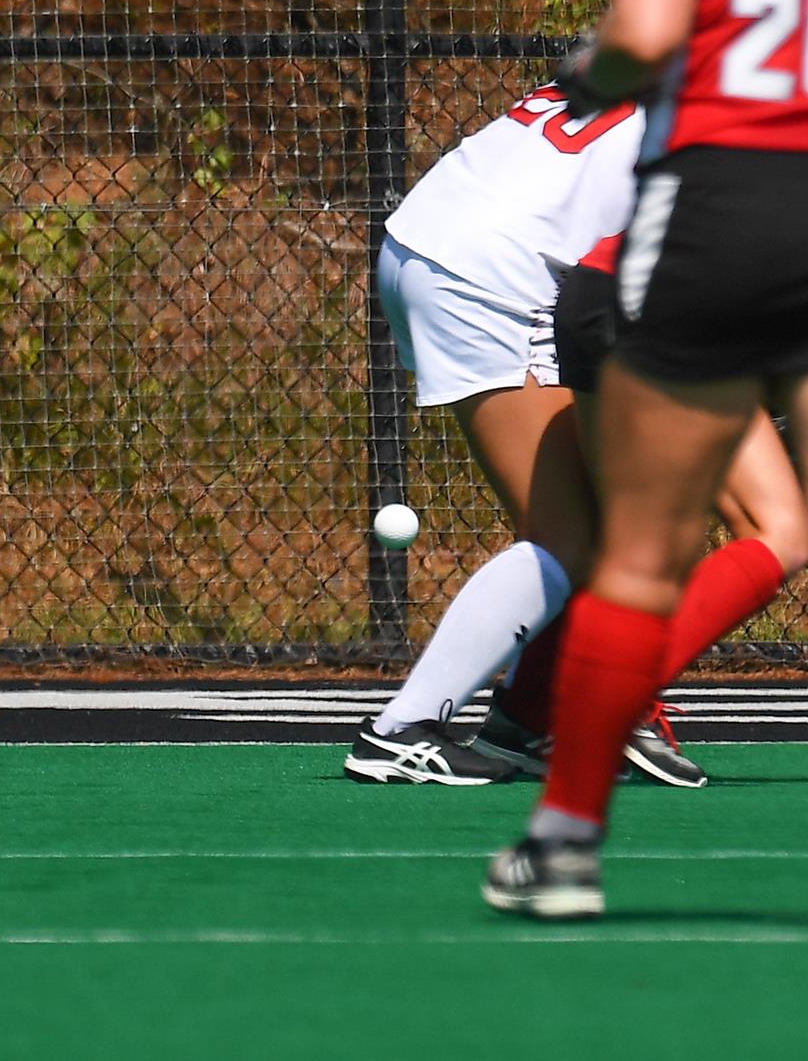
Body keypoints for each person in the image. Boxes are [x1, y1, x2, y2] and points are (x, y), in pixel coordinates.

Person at [484, 0, 808, 920]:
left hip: (717, 210)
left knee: (642, 547)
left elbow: (640, 32)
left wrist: (592, 65)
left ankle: (562, 843)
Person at [345, 91, 806, 787]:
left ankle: (525, 722)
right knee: (570, 537)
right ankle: (403, 729)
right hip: (501, 271)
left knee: (594, 532)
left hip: (433, 241)